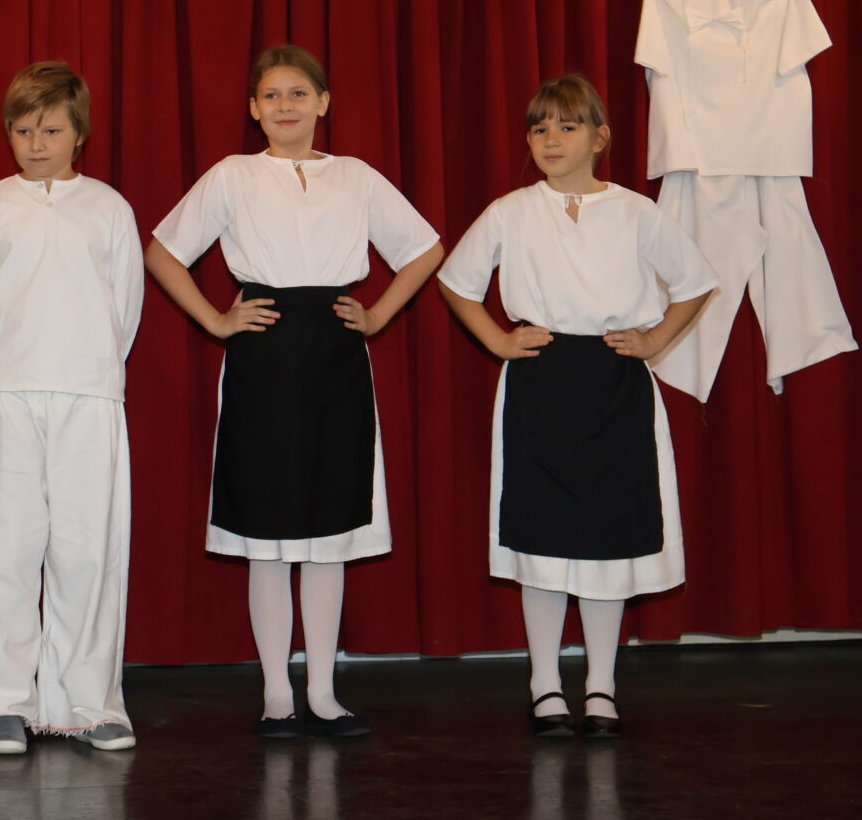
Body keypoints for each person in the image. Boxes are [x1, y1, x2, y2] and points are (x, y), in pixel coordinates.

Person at [145, 45, 442, 737]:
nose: (286, 106)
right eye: (272, 95)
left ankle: (324, 692)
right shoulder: (233, 175)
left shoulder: (356, 177)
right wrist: (217, 319)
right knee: (268, 534)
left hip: (336, 359)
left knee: (330, 532)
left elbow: (424, 248)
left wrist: (378, 314)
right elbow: (163, 251)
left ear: (323, 103)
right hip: (264, 359)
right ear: (253, 108)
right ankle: (277, 693)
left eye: (299, 93)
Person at [437, 73, 715, 738]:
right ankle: (544, 686)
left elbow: (697, 281)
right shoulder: (511, 211)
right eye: (540, 128)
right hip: (540, 383)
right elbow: (457, 281)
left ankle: (600, 687)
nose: (552, 139)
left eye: (567, 126)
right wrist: (499, 340)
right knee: (542, 539)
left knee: (606, 544)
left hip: (615, 386)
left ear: (600, 137)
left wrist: (655, 338)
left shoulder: (635, 212)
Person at [0, 62, 144, 755]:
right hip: (5, 391)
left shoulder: (109, 209)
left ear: (78, 134)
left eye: (52, 130)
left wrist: (91, 368)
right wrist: (3, 365)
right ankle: (3, 704)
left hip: (89, 393)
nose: (37, 144)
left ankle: (90, 702)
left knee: (87, 550)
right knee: (6, 548)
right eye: (24, 130)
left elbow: (125, 308)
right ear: (8, 133)